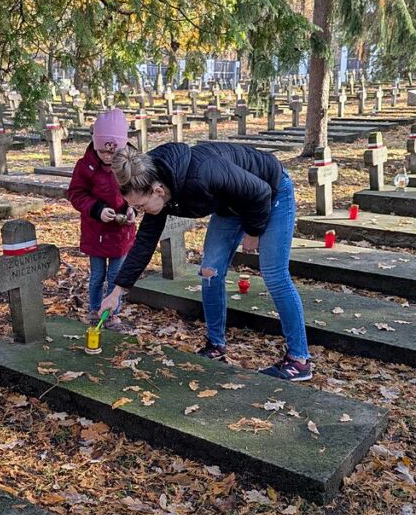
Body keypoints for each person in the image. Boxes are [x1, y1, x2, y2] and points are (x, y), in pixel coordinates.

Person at [99, 142, 313, 381]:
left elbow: (259, 192)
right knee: (210, 271)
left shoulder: (202, 174)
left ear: (158, 191)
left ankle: (299, 359)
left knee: (274, 274)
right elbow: (144, 244)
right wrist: (117, 291)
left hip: (270, 191)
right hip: (230, 202)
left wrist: (254, 231)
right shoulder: (158, 187)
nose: (138, 211)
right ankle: (216, 345)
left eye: (140, 206)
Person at [66, 109, 137, 329]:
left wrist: (132, 209)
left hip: (120, 232)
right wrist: (97, 210)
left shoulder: (130, 163)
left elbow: (137, 189)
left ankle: (112, 313)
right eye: (102, 151)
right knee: (97, 276)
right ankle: (95, 309)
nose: (107, 157)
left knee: (116, 276)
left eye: (112, 152)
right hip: (95, 231)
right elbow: (76, 194)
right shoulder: (85, 166)